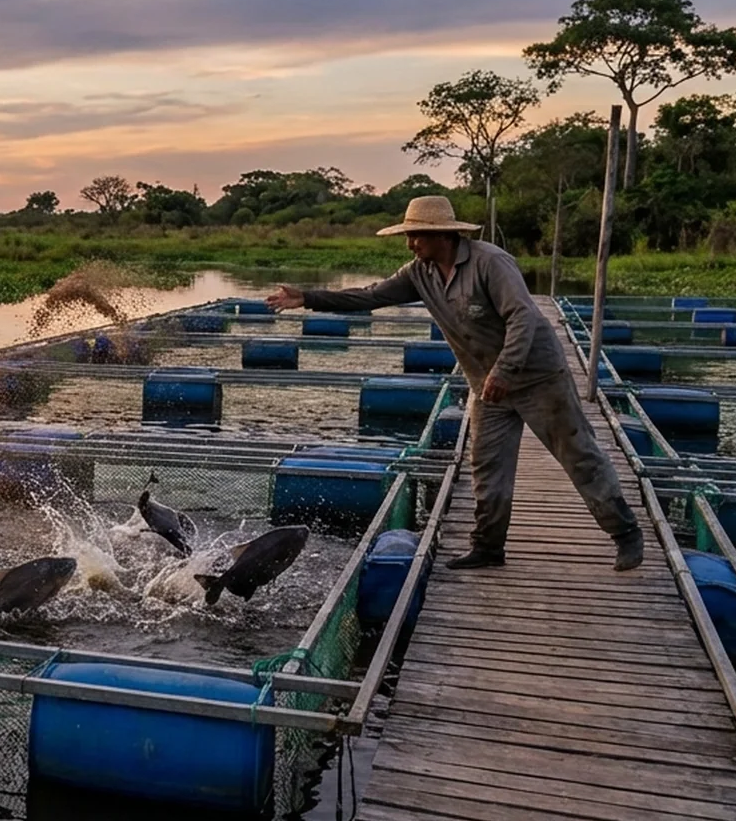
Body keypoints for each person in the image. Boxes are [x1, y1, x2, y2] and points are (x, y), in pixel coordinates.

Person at [264, 195, 644, 572]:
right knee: (487, 466)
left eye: (417, 236)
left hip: (537, 377)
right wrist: (308, 297)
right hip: (486, 383)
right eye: (409, 236)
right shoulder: (419, 273)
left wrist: (504, 372)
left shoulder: (490, 263)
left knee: (578, 456)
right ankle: (488, 547)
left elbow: (523, 317)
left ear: (444, 235)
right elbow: (371, 296)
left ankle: (625, 534)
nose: (411, 244)